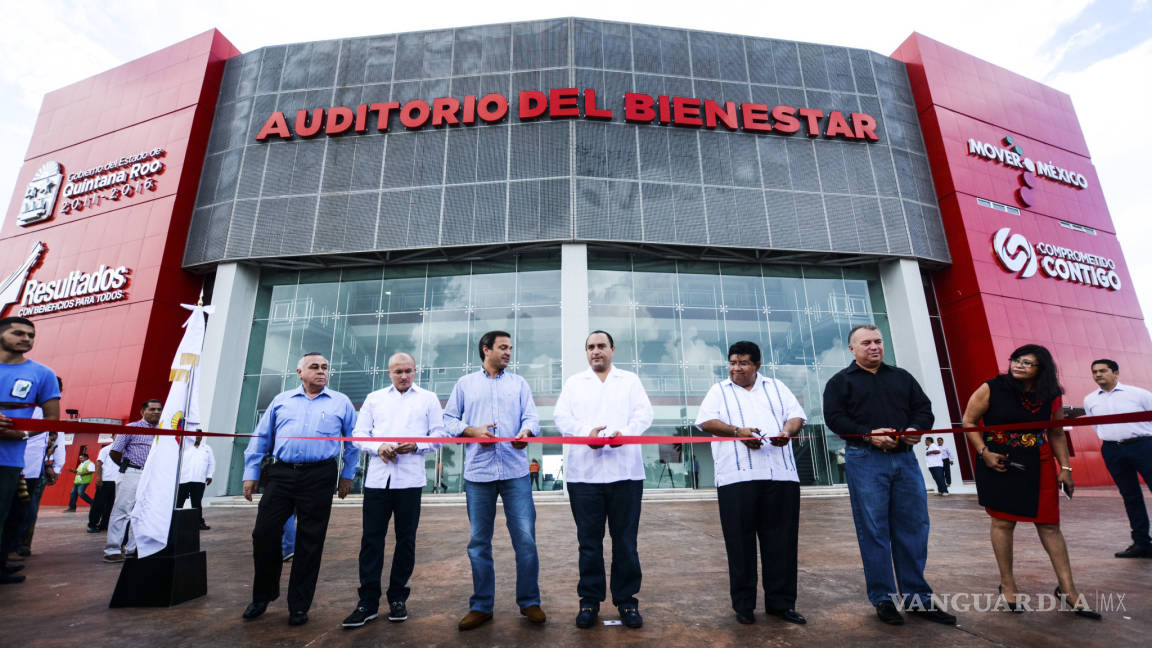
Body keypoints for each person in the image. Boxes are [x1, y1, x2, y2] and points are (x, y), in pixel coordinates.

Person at [822, 324, 955, 626]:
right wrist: (868, 435)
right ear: (852, 349)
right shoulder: (840, 382)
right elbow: (835, 419)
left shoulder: (901, 378)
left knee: (914, 527)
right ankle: (883, 598)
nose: (874, 347)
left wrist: (914, 430)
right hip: (866, 460)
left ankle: (917, 598)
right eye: (866, 342)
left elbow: (924, 409)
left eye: (878, 341)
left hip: (905, 461)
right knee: (874, 529)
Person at [962, 344, 1099, 618]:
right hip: (998, 460)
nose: (1018, 365)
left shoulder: (1051, 395)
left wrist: (1066, 468)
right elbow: (969, 421)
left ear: (1041, 369)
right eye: (1016, 360)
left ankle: (1068, 590)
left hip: (1038, 461)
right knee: (1002, 522)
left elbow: (1057, 433)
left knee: (1049, 525)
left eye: (1027, 362)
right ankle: (1008, 584)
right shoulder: (992, 387)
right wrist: (985, 453)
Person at [241, 352, 358, 627]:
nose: (321, 371)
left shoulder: (341, 403)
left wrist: (347, 475)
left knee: (310, 541)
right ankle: (263, 595)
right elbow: (261, 436)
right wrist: (251, 472)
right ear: (300, 373)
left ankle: (299, 605)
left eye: (325, 367)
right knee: (264, 533)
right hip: (281, 473)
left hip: (320, 474)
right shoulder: (281, 401)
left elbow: (353, 443)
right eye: (314, 367)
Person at [695, 340, 807, 626]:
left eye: (743, 363)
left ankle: (781, 604)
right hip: (737, 478)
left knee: (781, 543)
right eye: (733, 362)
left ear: (757, 365)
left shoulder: (776, 387)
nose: (736, 368)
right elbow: (706, 421)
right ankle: (744, 606)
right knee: (740, 545)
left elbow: (796, 417)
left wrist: (785, 431)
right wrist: (737, 432)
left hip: (780, 476)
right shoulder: (719, 390)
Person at [443, 330, 544, 630]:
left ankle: (530, 602)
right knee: (478, 542)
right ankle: (482, 606)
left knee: (525, 539)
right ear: (485, 350)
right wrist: (471, 431)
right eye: (502, 347)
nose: (508, 352)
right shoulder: (465, 384)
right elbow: (448, 421)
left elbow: (532, 419)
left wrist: (526, 433)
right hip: (479, 474)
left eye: (510, 348)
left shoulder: (519, 384)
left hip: (515, 472)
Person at [554, 330, 653, 629]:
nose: (596, 351)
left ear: (612, 349)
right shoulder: (574, 383)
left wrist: (625, 432)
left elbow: (644, 414)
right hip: (585, 478)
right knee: (589, 543)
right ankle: (589, 602)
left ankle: (626, 602)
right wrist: (587, 433)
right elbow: (562, 417)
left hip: (626, 474)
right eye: (590, 347)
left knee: (626, 542)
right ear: (586, 352)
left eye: (601, 346)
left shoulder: (630, 381)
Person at [341, 352, 444, 629]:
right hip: (377, 480)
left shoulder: (428, 398)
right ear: (389, 372)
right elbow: (359, 435)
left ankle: (398, 597)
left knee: (405, 541)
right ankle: (367, 602)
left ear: (415, 370)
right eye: (398, 371)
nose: (404, 376)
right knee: (371, 541)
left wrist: (417, 445)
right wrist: (379, 447)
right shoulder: (375, 398)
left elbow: (439, 436)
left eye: (408, 370)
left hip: (410, 481)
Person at [0, 316, 60, 584]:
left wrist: (21, 433)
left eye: (31, 335)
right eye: (19, 333)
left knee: (6, 514)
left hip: (9, 459)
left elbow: (51, 420)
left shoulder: (43, 374)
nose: (26, 338)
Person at [1084, 359, 1152, 559]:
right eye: (1095, 372)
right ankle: (1142, 543)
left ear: (1115, 373)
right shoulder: (1090, 400)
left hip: (1143, 446)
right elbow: (1097, 426)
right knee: (1130, 496)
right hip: (1112, 449)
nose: (1098, 375)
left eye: (1103, 371)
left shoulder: (1139, 394)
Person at [104, 399, 161, 563]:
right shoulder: (131, 428)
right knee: (122, 510)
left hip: (151, 476)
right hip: (132, 472)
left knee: (142, 512)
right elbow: (115, 451)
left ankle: (133, 548)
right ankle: (113, 549)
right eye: (152, 409)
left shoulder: (162, 431)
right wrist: (127, 467)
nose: (156, 412)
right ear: (143, 412)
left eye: (159, 409)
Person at [17, 392, 65, 553]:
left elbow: (59, 443)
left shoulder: (52, 419)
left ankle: (21, 546)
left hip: (37, 471)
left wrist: (55, 467)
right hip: (14, 466)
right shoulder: (21, 411)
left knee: (29, 510)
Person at [177, 436, 216, 530]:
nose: (197, 437)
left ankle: (199, 523)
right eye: (195, 435)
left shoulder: (206, 448)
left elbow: (211, 463)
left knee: (197, 503)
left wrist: (209, 475)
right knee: (179, 502)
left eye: (199, 435)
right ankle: (175, 522)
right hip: (184, 479)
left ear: (202, 436)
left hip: (199, 480)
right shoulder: (184, 446)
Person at [88, 438, 117, 533]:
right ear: (113, 437)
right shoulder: (106, 449)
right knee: (98, 504)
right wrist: (99, 479)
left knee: (111, 505)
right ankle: (92, 525)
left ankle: (104, 525)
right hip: (105, 480)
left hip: (118, 482)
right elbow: (99, 464)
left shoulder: (124, 450)